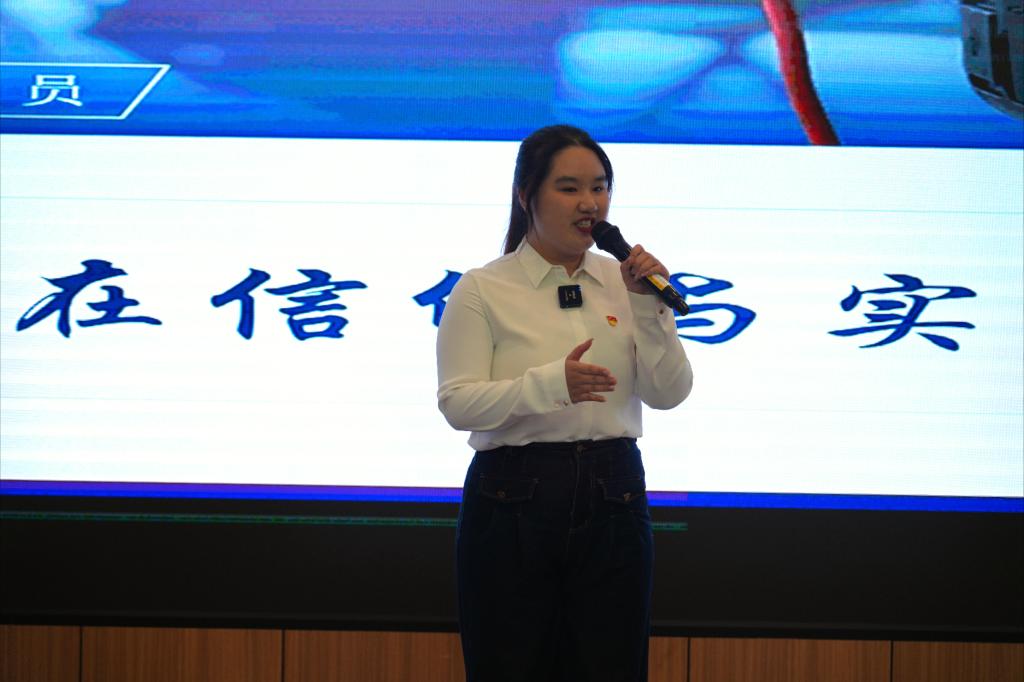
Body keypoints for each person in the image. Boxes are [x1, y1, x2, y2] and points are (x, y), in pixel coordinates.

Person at [436, 124, 693, 681]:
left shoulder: (625, 281)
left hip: (614, 489)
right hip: (514, 495)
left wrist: (650, 308)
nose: (590, 203)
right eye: (570, 188)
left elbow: (669, 393)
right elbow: (458, 403)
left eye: (600, 187)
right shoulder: (483, 288)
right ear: (526, 195)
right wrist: (552, 385)